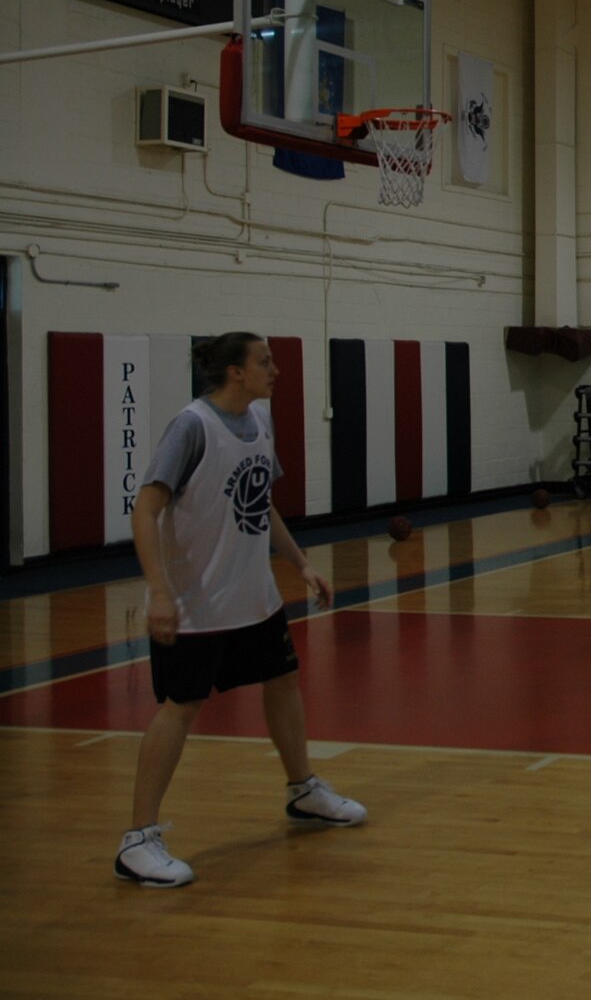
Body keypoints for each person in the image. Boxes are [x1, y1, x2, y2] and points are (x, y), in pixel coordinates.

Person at [115, 332, 365, 888]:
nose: (275, 369)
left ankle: (303, 791)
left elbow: (262, 502)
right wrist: (158, 591)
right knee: (181, 707)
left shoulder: (259, 421)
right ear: (234, 371)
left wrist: (300, 563)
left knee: (282, 680)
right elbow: (145, 509)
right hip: (195, 603)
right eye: (264, 361)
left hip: (254, 597)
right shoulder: (191, 427)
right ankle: (137, 839)